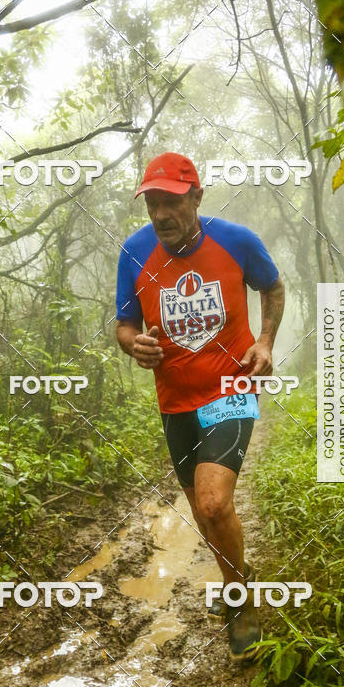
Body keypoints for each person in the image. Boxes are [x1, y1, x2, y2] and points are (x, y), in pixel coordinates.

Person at [115, 152, 285, 660]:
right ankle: (239, 576)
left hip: (229, 389)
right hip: (175, 401)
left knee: (214, 502)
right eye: (153, 204)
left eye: (171, 201)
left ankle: (239, 603)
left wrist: (266, 341)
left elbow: (273, 288)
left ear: (196, 196)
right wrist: (132, 344)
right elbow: (123, 323)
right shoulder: (134, 251)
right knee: (202, 513)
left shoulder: (236, 240)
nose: (161, 214)